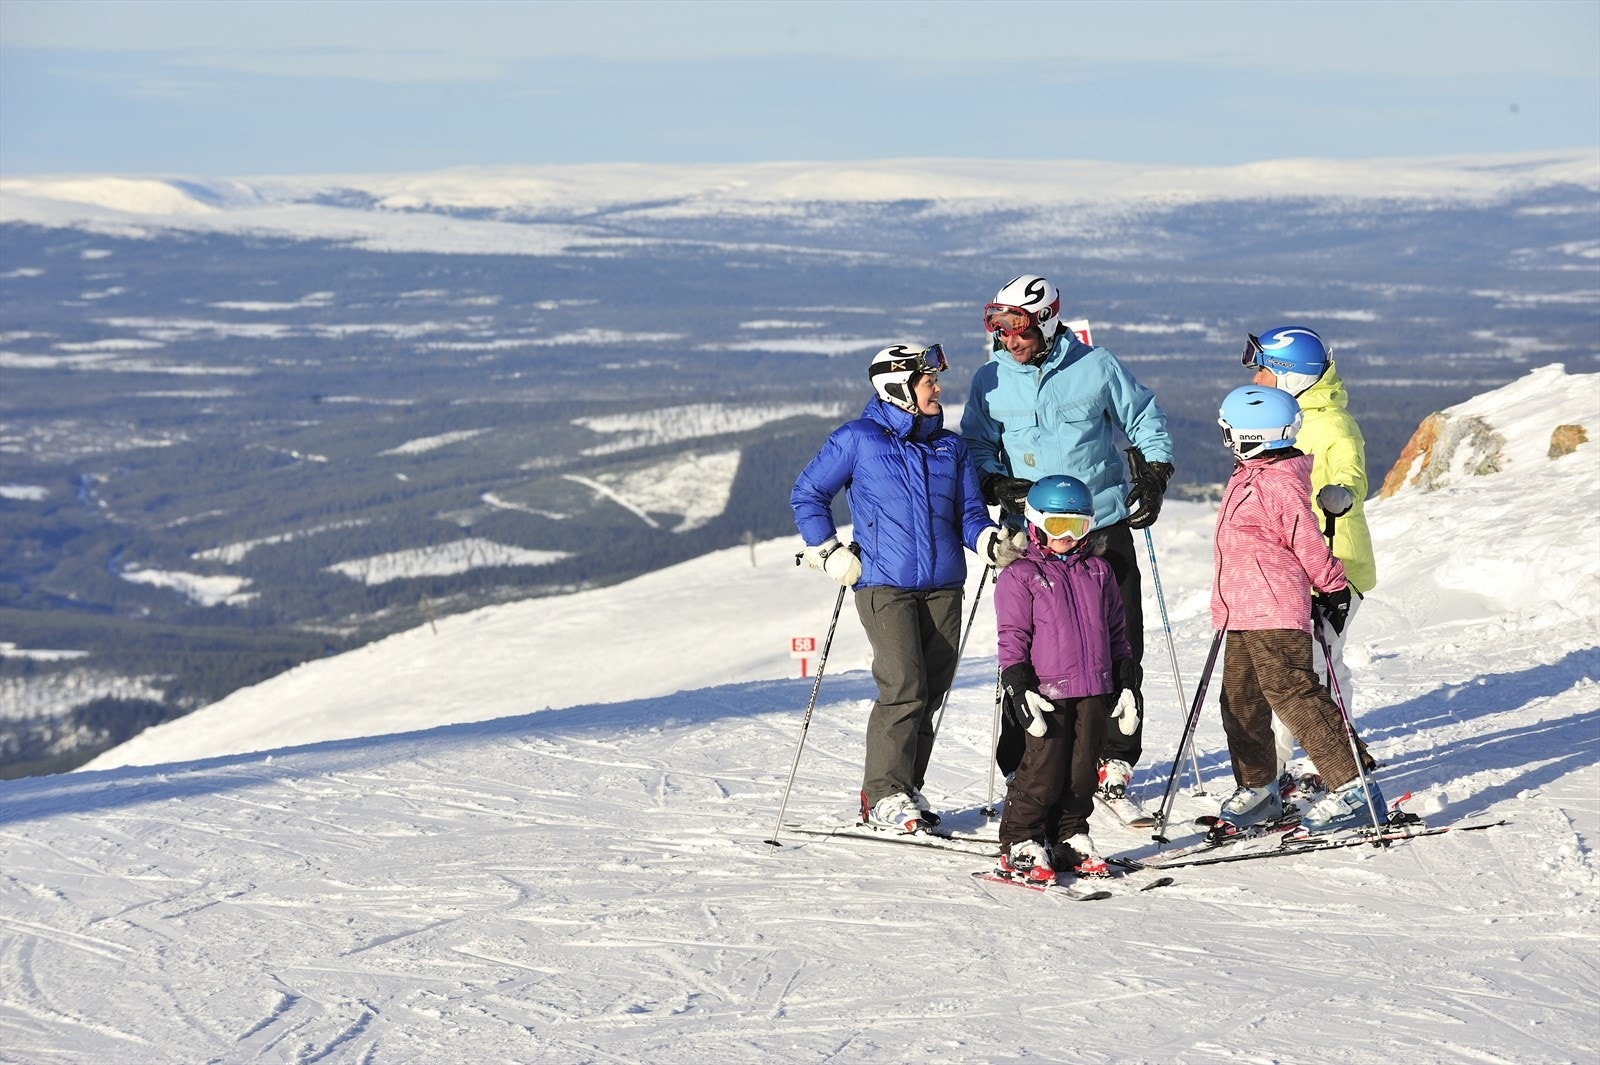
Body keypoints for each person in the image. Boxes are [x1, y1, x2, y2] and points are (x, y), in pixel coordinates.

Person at [792, 343, 1026, 834]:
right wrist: (830, 551)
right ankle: (883, 795)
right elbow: (808, 493)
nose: (938, 388)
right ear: (897, 388)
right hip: (882, 584)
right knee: (904, 687)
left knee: (931, 691)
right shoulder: (858, 439)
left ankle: (906, 788)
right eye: (928, 382)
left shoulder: (950, 446)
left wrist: (987, 542)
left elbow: (967, 514)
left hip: (944, 586)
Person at [960, 274, 1174, 803]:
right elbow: (976, 443)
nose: (1010, 340)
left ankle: (1115, 756)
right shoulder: (989, 379)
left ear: (1048, 321)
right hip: (1029, 535)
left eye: (1020, 329)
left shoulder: (1095, 366)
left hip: (1099, 526)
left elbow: (1144, 417)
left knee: (1119, 642)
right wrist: (991, 480)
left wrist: (1154, 472)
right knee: (1029, 648)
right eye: (1000, 329)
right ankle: (1022, 759)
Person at [1211, 385, 1385, 835]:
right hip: (1241, 612)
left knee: (1294, 696)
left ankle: (1352, 790)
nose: (1224, 435)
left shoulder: (1278, 481)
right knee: (1239, 700)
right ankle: (1260, 787)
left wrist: (1331, 584)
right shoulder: (1249, 473)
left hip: (1274, 610)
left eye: (1228, 428)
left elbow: (1305, 539)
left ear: (1250, 435)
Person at [1241, 325, 1379, 795]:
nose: (1255, 378)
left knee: (1299, 675)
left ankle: (1284, 772)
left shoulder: (1332, 424)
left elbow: (1350, 472)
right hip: (1298, 564)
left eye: (1265, 369)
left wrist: (1341, 492)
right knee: (1322, 668)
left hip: (1334, 564)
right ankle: (1342, 759)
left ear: (1292, 376)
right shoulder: (1281, 418)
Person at [992, 475, 1135, 882]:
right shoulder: (1019, 576)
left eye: (1079, 526)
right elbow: (1012, 637)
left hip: (1093, 689)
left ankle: (1069, 834)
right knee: (1043, 770)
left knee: (1082, 771)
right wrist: (1018, 683)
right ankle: (1020, 840)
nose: (1068, 536)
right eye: (1057, 526)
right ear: (1035, 523)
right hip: (1047, 691)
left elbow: (1116, 632)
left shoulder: (1100, 571)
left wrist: (1126, 678)